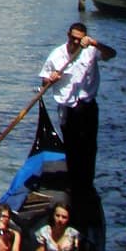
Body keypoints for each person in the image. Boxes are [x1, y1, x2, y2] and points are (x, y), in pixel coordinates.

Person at [40, 22, 117, 192]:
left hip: (87, 104)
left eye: (79, 40)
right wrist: (50, 79)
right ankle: (73, 183)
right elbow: (43, 82)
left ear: (84, 38)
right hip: (67, 107)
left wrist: (95, 43)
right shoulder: (56, 55)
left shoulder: (91, 50)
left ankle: (87, 184)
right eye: (73, 38)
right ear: (68, 35)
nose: (76, 42)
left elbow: (112, 54)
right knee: (72, 147)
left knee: (89, 147)